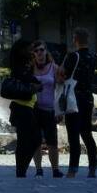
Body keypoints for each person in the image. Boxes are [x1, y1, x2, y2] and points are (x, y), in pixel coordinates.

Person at [62, 27, 97, 178]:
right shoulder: (92, 57)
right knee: (87, 133)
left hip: (74, 99)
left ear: (75, 39)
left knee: (73, 135)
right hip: (88, 98)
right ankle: (92, 167)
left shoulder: (72, 56)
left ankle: (72, 169)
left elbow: (63, 75)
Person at [8, 39, 43, 178]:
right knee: (33, 139)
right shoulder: (20, 67)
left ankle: (21, 169)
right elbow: (27, 80)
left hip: (26, 107)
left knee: (27, 140)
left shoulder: (23, 65)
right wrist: (36, 85)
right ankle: (21, 169)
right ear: (23, 51)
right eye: (30, 49)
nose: (33, 51)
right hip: (22, 108)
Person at [31, 40, 64, 178]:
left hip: (50, 110)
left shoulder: (54, 67)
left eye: (42, 50)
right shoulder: (31, 68)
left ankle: (55, 169)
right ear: (33, 53)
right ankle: (38, 169)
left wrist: (59, 110)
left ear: (46, 51)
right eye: (36, 50)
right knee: (36, 141)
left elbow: (60, 89)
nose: (39, 53)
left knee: (52, 142)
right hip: (34, 110)